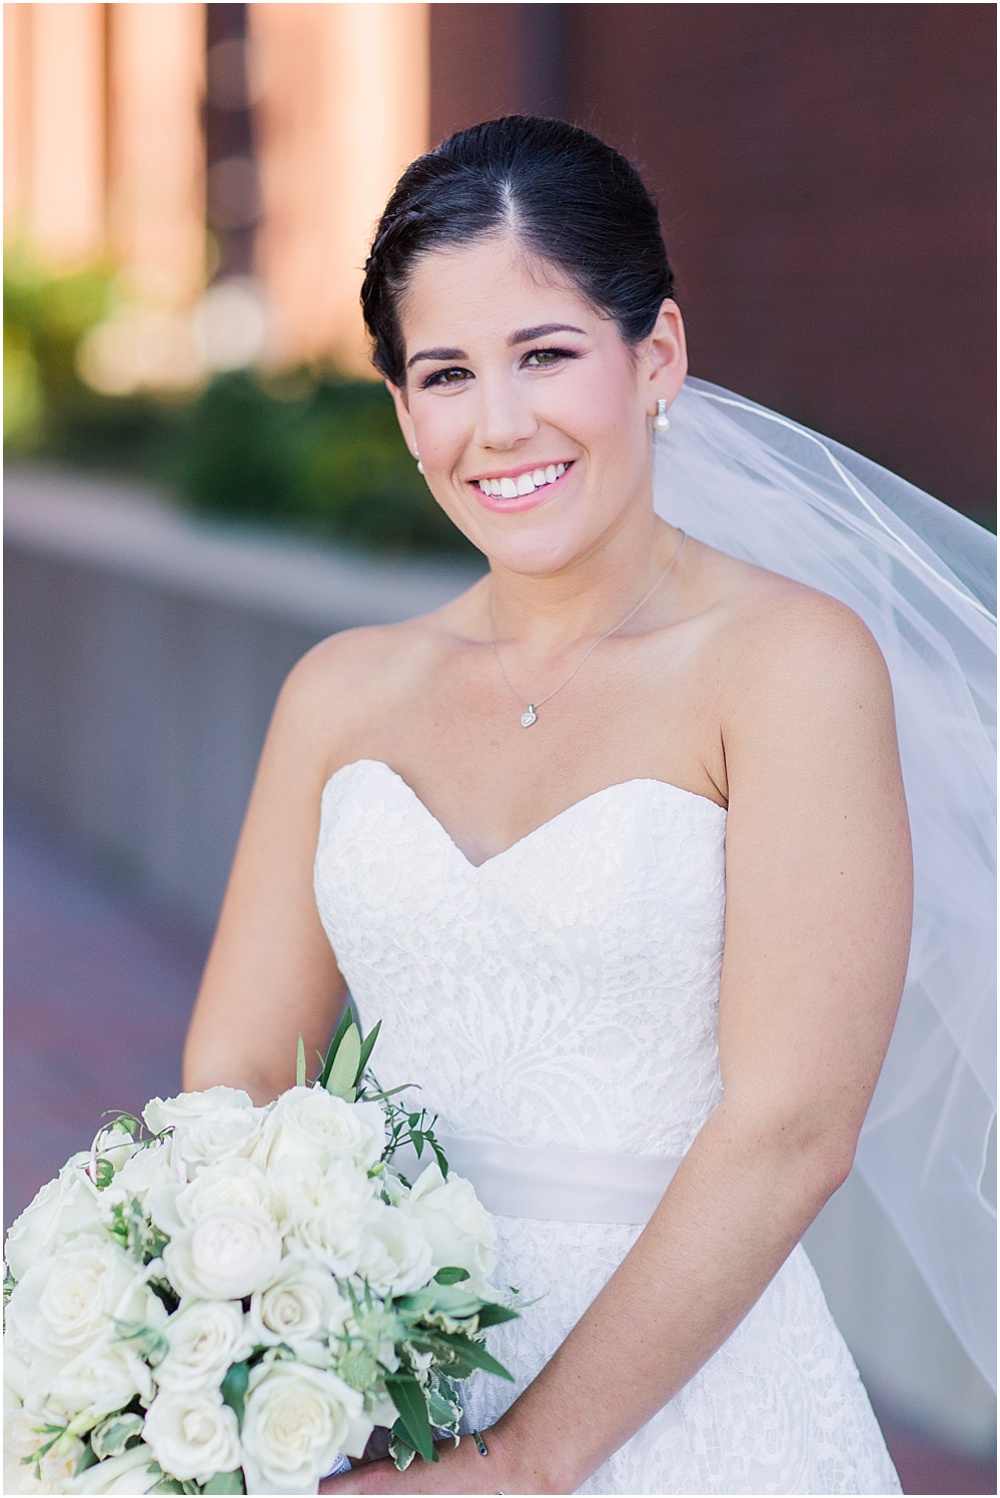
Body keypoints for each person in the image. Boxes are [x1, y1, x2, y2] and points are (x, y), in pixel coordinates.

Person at [183, 116, 994, 1494]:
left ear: (657, 356)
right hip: (390, 1403)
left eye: (546, 353)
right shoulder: (342, 694)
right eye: (445, 374)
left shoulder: (790, 664)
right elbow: (237, 1078)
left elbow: (794, 1126)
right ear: (402, 413)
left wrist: (512, 1467)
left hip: (693, 1406)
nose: (500, 425)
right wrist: (245, 1369)